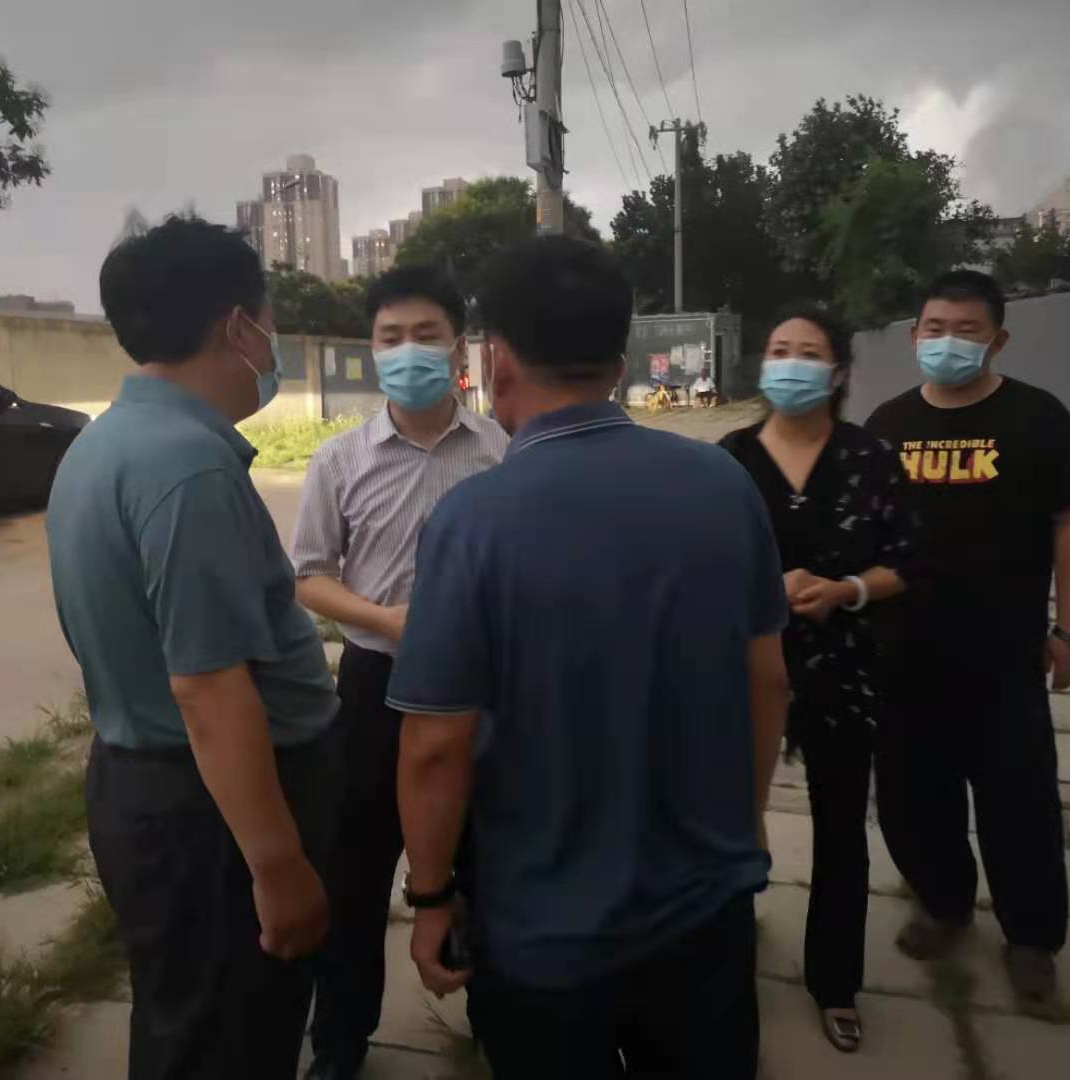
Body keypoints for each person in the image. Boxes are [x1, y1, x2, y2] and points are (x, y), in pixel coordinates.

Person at [384, 236, 791, 1079]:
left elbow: (434, 746)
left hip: (543, 940)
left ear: (495, 361)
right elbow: (767, 679)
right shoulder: (723, 485)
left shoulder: (473, 522)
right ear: (620, 358)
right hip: (705, 917)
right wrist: (744, 821)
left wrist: (430, 896)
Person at [46, 216, 341, 1079]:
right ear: (236, 327)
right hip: (214, 816)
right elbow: (209, 690)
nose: (272, 343)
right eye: (269, 321)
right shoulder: (189, 470)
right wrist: (277, 866)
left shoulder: (103, 443)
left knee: (184, 1025)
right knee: (231, 1039)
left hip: (150, 788)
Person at [292, 265, 508, 1080]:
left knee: (486, 859)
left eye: (426, 335)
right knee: (352, 871)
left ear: (458, 346)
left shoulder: (502, 453)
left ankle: (497, 1024)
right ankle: (340, 1042)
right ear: (372, 349)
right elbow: (309, 575)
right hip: (373, 687)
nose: (409, 351)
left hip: (480, 693)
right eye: (391, 338)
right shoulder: (340, 459)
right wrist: (384, 619)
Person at [866, 270, 1070, 1001]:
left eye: (967, 331)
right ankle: (943, 903)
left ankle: (1031, 935)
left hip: (1002, 656)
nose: (948, 343)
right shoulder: (887, 425)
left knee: (1018, 802)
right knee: (911, 796)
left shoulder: (1038, 419)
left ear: (998, 340)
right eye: (935, 329)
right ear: (914, 337)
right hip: (904, 655)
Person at [719, 306, 919, 1053]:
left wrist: (846, 590)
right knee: (731, 816)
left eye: (808, 352)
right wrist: (761, 590)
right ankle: (726, 951)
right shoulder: (730, 459)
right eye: (779, 349)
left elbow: (908, 560)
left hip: (845, 668)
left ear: (836, 373)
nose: (790, 363)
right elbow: (700, 563)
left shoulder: (870, 458)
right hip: (744, 668)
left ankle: (835, 982)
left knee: (841, 828)